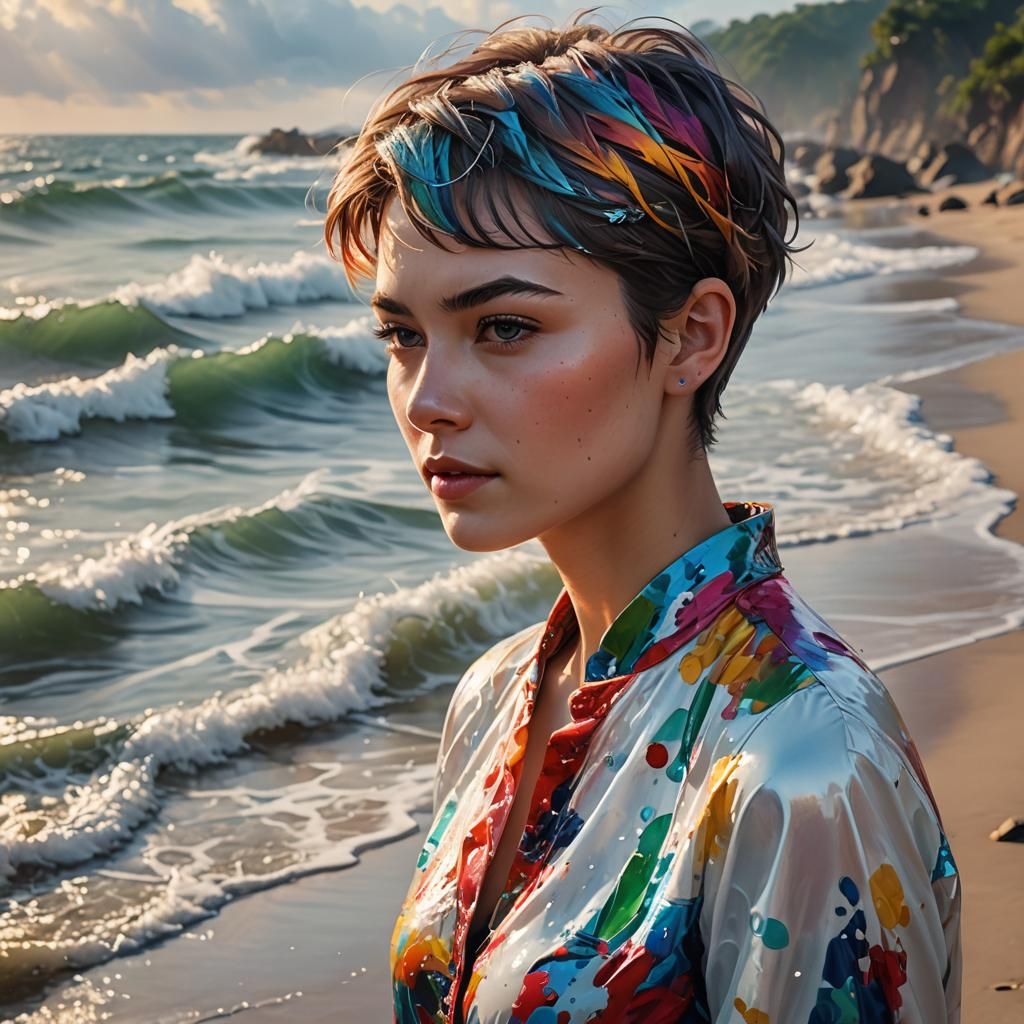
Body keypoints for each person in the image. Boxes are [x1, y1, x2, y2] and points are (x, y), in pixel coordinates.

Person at [323, 13, 962, 1023]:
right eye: (403, 333)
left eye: (503, 327)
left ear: (689, 337)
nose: (427, 396)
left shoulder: (802, 763)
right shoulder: (495, 698)